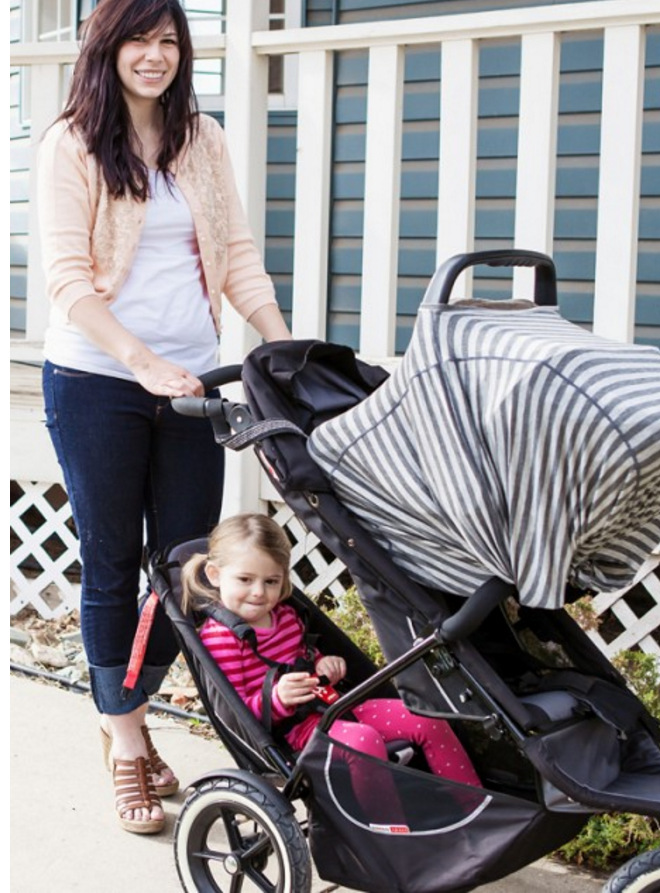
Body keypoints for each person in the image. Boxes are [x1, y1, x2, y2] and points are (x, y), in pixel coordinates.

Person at [37, 0, 292, 836]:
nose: (155, 56)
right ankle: (126, 740)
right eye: (138, 41)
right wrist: (140, 360)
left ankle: (130, 710)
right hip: (97, 380)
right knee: (112, 563)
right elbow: (68, 279)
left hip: (192, 381)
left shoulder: (201, 139)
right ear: (107, 48)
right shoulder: (71, 143)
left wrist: (284, 348)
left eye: (169, 41)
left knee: (185, 567)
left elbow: (238, 255)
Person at [181, 514, 482, 818]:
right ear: (215, 575)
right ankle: (387, 827)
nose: (259, 592)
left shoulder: (286, 616)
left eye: (271, 581)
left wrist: (323, 663)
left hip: (331, 708)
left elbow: (304, 656)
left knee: (425, 718)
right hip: (293, 733)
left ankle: (477, 810)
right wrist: (277, 698)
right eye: (245, 580)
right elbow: (236, 713)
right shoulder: (222, 638)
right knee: (362, 742)